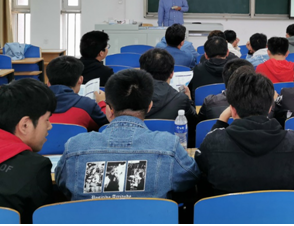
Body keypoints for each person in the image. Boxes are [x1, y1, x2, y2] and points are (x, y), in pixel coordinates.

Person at [55, 69, 200, 200]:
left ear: (109, 109)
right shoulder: (169, 146)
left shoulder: (75, 147)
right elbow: (191, 177)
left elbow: (62, 185)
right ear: (149, 106)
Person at [195, 68, 294, 196]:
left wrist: (221, 121)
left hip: (229, 209)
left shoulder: (213, 143)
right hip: (280, 209)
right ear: (270, 108)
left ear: (232, 110)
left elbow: (201, 171)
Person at [0, 79, 56, 223]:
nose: (50, 126)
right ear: (25, 125)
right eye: (47, 120)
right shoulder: (36, 167)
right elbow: (43, 219)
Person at [47, 56, 108, 131]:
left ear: (48, 83)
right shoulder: (87, 105)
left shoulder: (35, 103)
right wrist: (102, 103)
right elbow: (106, 126)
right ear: (80, 80)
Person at [139, 48, 197, 122]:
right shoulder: (181, 99)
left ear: (141, 71)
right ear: (171, 74)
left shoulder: (129, 96)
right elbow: (194, 123)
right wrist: (189, 100)